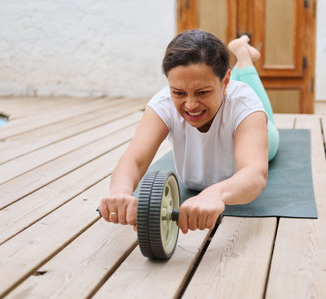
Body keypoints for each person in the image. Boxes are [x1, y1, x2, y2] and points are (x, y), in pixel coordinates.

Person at [100, 30, 279, 234]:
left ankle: (243, 55)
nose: (191, 105)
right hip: (228, 99)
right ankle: (240, 56)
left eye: (202, 92)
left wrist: (216, 194)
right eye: (178, 92)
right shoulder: (163, 103)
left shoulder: (245, 105)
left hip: (264, 133)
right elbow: (133, 160)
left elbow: (255, 173)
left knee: (265, 119)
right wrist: (121, 193)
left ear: (225, 81)